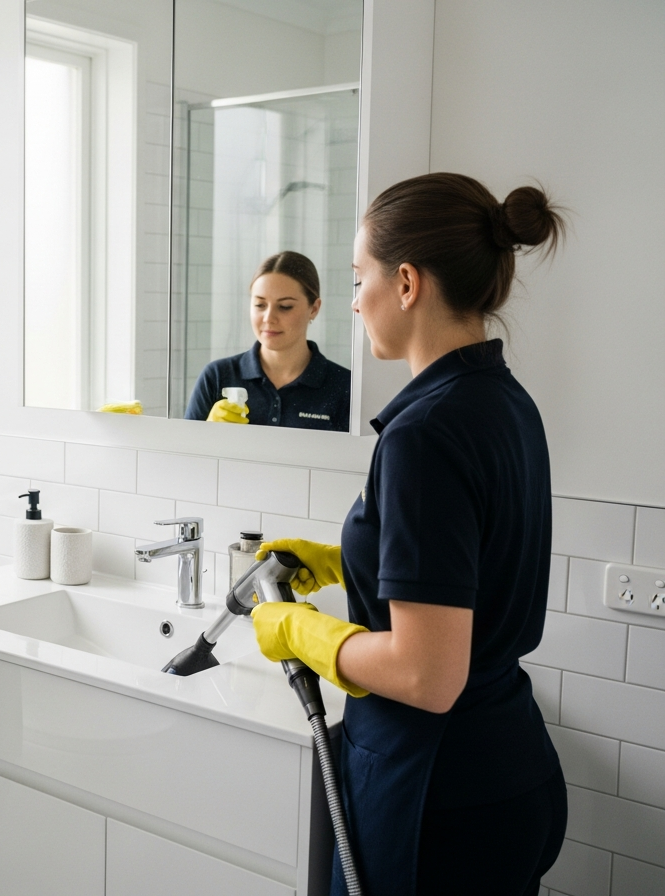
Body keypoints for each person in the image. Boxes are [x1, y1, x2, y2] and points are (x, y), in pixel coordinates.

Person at [251, 174, 567, 895]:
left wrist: (299, 631)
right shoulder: (501, 401)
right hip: (510, 771)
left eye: (359, 278)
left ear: (406, 283)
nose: (355, 299)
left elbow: (428, 675)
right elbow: (474, 563)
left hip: (437, 795)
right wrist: (342, 562)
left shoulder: (425, 432)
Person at [184, 251, 350, 431]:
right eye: (260, 305)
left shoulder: (345, 387)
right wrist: (206, 433)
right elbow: (184, 456)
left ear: (314, 309)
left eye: (285, 307)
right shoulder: (217, 376)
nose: (268, 318)